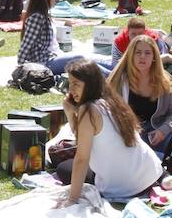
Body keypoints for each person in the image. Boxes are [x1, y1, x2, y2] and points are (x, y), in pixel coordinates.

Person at [55, 59, 163, 206]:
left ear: (89, 85)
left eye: (76, 84)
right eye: (70, 84)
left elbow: (81, 157)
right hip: (150, 174)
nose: (71, 90)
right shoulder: (111, 100)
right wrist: (71, 113)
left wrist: (72, 199)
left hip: (123, 188)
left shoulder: (88, 110)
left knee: (63, 168)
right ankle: (167, 178)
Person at [107, 35, 172, 152]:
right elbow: (107, 111)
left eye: (147, 53)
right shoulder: (118, 80)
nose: (142, 56)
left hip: (157, 131)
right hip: (128, 133)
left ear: (154, 57)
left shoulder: (166, 81)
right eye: (138, 52)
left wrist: (163, 130)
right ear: (131, 55)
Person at [17, 0, 112, 74]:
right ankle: (112, 76)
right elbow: (26, 45)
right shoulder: (36, 18)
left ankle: (117, 69)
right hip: (45, 62)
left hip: (54, 56)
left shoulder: (44, 16)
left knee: (92, 59)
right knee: (80, 59)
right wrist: (20, 67)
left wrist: (64, 22)